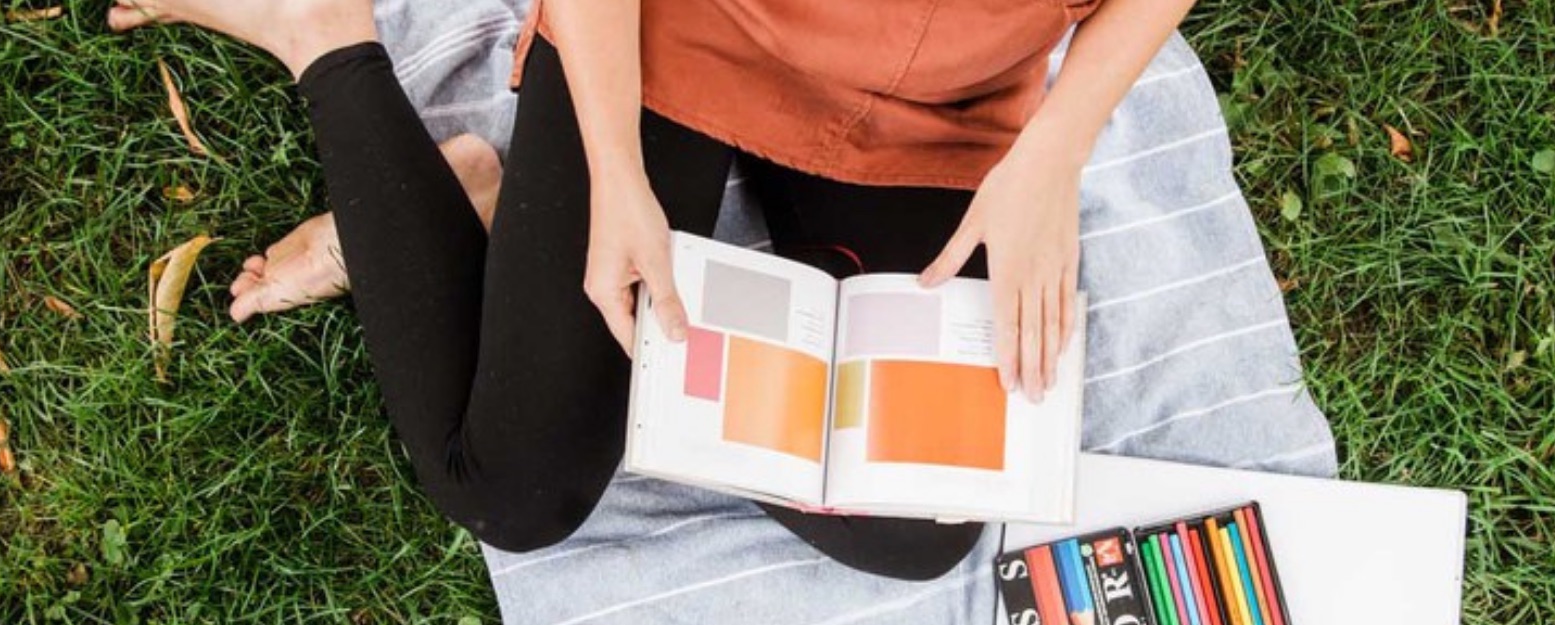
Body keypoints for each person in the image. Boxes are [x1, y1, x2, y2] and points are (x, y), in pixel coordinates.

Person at [108, 0, 1196, 580]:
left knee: (924, 522)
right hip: (694, 32)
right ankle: (322, 32)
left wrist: (1054, 148)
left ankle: (481, 217)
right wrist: (614, 177)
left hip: (943, 103)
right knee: (517, 486)